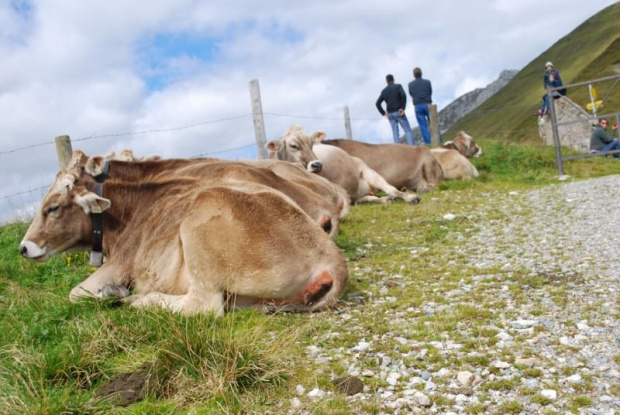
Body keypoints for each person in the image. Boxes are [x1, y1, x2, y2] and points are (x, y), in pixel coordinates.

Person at [376, 74, 415, 146]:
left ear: (386, 81)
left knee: (395, 132)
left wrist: (383, 113)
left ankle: (398, 151)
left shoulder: (384, 91)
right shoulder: (398, 86)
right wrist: (402, 108)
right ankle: (412, 147)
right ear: (393, 79)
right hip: (399, 111)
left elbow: (377, 103)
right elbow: (403, 95)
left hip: (390, 114)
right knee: (407, 130)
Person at [408, 67, 433, 145]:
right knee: (433, 123)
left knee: (423, 126)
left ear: (414, 75)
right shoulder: (427, 82)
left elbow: (411, 94)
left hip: (418, 106)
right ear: (421, 73)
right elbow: (430, 91)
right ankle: (438, 141)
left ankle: (428, 143)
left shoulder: (410, 84)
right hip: (428, 104)